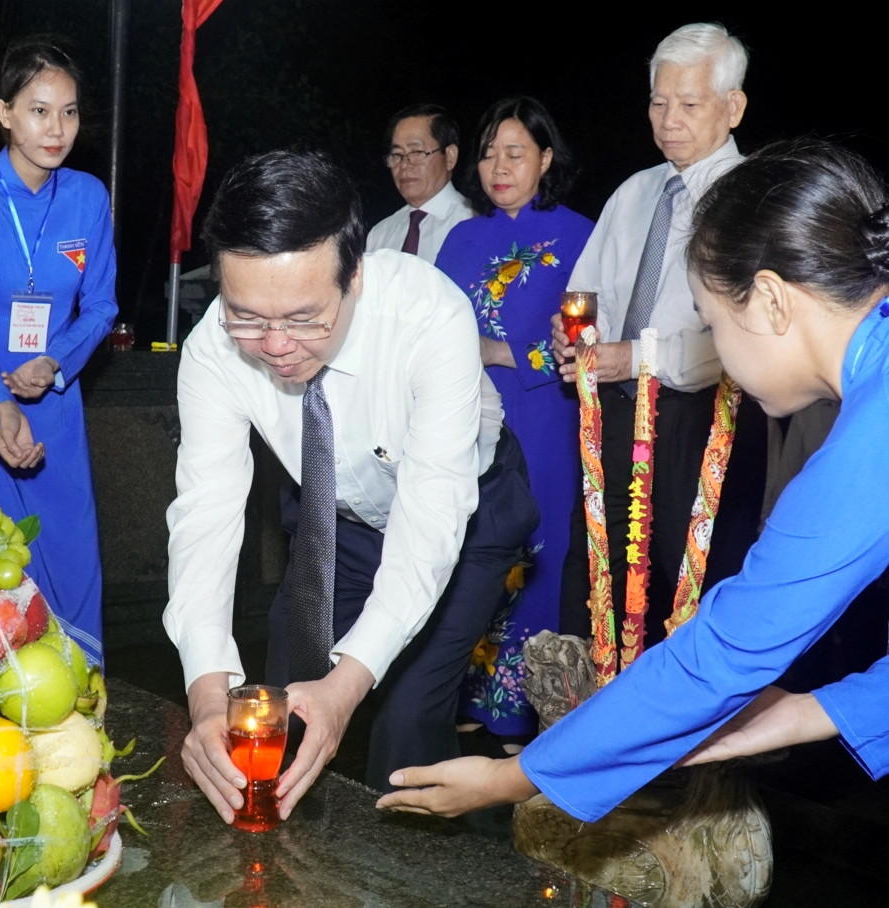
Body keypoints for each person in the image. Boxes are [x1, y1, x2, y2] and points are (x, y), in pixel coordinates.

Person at [377, 138, 889, 822]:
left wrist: (513, 777)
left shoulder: (869, 440)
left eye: (711, 323)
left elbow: (720, 654)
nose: (718, 351)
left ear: (769, 300)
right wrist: (812, 712)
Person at [165, 149, 538, 823]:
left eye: (304, 317)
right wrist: (205, 697)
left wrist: (348, 685)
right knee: (273, 707)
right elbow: (204, 519)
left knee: (405, 719)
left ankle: (420, 868)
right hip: (338, 521)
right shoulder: (212, 349)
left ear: (355, 275)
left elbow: (430, 524)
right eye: (247, 317)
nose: (276, 344)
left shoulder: (429, 317)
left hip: (466, 514)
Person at [552, 22, 762, 649]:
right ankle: (592, 698)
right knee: (596, 573)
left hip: (702, 421)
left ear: (733, 107)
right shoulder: (635, 191)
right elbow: (586, 290)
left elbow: (741, 336)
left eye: (689, 104)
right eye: (658, 102)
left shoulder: (752, 200)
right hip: (613, 415)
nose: (669, 121)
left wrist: (636, 357)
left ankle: (695, 708)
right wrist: (574, 334)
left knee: (687, 583)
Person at [0, 35, 117, 664]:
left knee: (68, 555)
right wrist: (2, 405)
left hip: (56, 401)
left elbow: (101, 305)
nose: (57, 128)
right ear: (4, 112)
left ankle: (76, 698)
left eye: (69, 111)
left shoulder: (88, 197)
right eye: (39, 110)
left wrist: (56, 360)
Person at [435, 97, 594, 742]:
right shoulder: (461, 237)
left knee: (538, 550)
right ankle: (462, 694)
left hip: (544, 417)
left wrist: (503, 352)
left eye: (515, 153)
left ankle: (528, 707)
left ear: (545, 158)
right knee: (468, 548)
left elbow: (591, 339)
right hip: (465, 416)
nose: (498, 167)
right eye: (488, 154)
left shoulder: (579, 236)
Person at [365, 104, 473, 263]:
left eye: (417, 152)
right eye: (397, 154)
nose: (404, 165)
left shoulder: (474, 221)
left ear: (450, 156)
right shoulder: (380, 234)